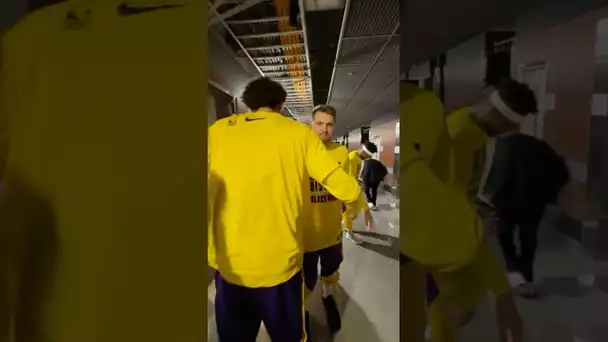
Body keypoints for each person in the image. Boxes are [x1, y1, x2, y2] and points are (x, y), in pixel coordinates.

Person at [208, 78, 363, 342]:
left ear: (248, 104)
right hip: (279, 265)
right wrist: (356, 201)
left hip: (229, 265)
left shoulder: (218, 131)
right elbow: (339, 184)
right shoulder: (297, 133)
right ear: (280, 105)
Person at [400, 82, 523, 342]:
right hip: (436, 248)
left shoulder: (469, 129)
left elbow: (454, 190)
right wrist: (476, 286)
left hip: (444, 236)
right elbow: (440, 208)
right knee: (440, 314)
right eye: (507, 124)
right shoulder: (457, 131)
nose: (508, 131)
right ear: (495, 113)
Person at [466, 79, 570, 297]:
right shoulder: (537, 145)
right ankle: (526, 277)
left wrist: (484, 200)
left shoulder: (501, 147)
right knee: (528, 240)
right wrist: (548, 194)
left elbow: (498, 177)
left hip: (507, 205)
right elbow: (562, 172)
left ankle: (515, 272)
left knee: (505, 238)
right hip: (533, 205)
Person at [303, 105, 370, 334]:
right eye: (320, 123)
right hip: (306, 233)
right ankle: (304, 313)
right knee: (306, 278)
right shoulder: (300, 151)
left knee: (331, 269)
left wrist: (358, 208)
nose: (325, 129)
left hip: (332, 230)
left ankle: (328, 298)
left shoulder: (341, 153)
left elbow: (349, 185)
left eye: (329, 124)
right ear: (311, 124)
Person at [343, 141, 377, 244]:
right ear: (363, 150)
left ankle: (346, 225)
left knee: (354, 210)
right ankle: (348, 232)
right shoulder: (353, 158)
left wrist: (359, 181)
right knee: (351, 211)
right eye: (366, 155)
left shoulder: (357, 158)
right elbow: (349, 178)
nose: (366, 158)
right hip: (347, 189)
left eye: (368, 156)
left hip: (351, 186)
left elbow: (354, 175)